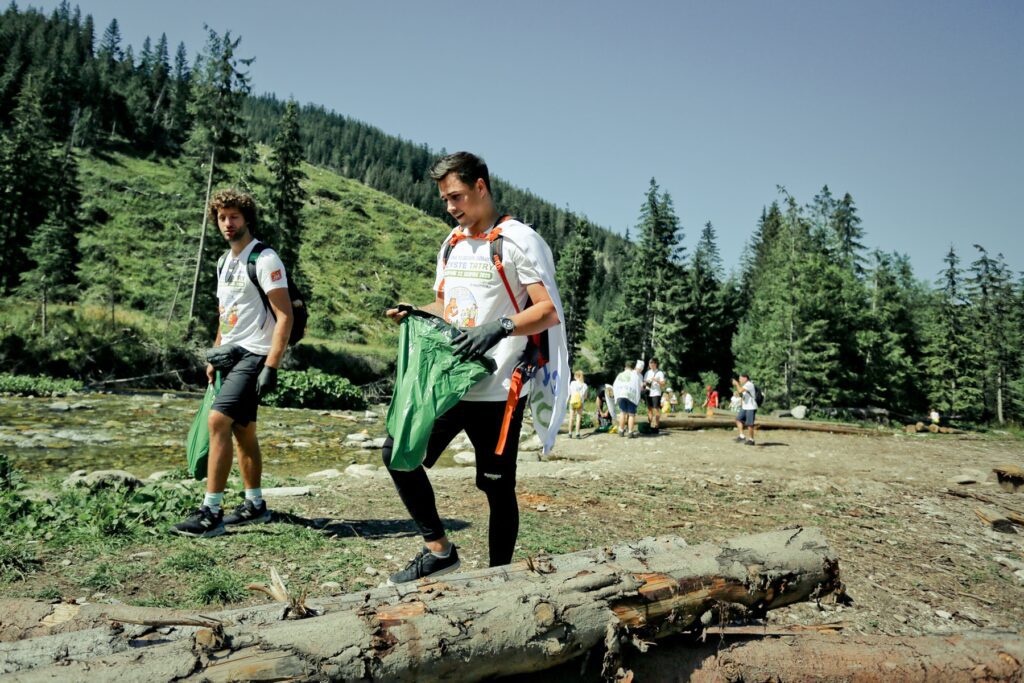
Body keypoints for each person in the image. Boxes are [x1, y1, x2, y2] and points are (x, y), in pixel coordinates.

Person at [382, 152, 564, 583]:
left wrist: (499, 327)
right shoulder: (452, 244)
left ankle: (498, 579)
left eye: (457, 196)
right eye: (445, 199)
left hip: (500, 389)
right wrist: (416, 311)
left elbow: (547, 311)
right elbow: (448, 305)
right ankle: (440, 551)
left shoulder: (518, 241)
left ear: (481, 186)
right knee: (399, 454)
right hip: (449, 383)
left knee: (496, 487)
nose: (450, 207)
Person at [171, 189, 294, 538]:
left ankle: (211, 512)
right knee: (243, 431)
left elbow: (283, 316)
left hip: (255, 354)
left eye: (234, 217)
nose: (228, 223)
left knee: (217, 421)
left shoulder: (265, 259)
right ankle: (254, 505)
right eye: (222, 217)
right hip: (230, 355)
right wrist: (214, 354)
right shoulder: (224, 262)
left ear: (247, 219)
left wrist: (272, 365)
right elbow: (226, 316)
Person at [613, 359, 642, 438]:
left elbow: (615, 385)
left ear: (625, 367)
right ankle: (630, 432)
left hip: (621, 395)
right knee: (631, 414)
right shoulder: (635, 376)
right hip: (631, 396)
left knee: (622, 413)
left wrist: (617, 395)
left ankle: (621, 430)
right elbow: (639, 387)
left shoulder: (620, 374)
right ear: (633, 367)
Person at [732, 373, 758, 446]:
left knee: (749, 424)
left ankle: (751, 440)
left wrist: (737, 384)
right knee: (738, 419)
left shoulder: (749, 384)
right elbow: (743, 395)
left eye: (740, 378)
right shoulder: (745, 385)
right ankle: (742, 436)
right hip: (745, 407)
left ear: (745, 378)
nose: (739, 380)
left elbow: (740, 391)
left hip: (751, 407)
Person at [567, 370, 588, 439]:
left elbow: (569, 393)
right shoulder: (585, 385)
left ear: (576, 376)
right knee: (578, 418)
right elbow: (585, 396)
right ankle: (577, 433)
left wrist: (569, 399)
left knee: (571, 417)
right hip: (580, 402)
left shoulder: (572, 383)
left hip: (573, 401)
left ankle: (570, 433)